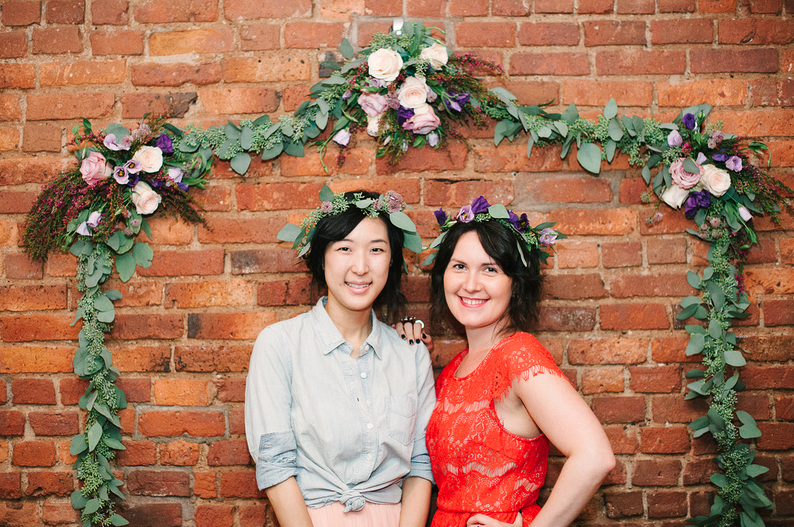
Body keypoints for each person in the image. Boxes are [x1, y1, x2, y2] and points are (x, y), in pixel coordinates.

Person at [418, 196, 615, 527]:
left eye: (490, 270)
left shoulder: (518, 355)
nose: (470, 284)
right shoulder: (456, 367)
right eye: (459, 266)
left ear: (515, 284)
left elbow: (595, 456)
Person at [245, 187, 435, 527]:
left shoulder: (411, 353)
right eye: (344, 248)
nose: (360, 266)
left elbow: (422, 462)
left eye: (376, 250)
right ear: (321, 257)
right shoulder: (279, 345)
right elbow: (275, 464)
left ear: (391, 260)